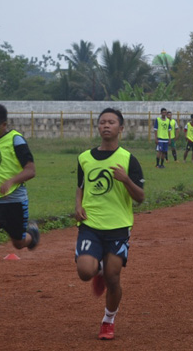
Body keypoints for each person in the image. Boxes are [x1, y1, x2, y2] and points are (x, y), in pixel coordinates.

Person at [75, 108, 144, 340]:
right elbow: (81, 186)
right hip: (90, 224)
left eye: (112, 122)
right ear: (98, 127)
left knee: (114, 278)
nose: (106, 125)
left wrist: (126, 179)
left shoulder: (128, 159)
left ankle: (108, 320)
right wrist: (78, 205)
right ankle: (98, 270)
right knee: (85, 272)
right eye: (102, 122)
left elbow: (140, 197)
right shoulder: (84, 158)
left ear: (120, 129)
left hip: (118, 226)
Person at [0, 103, 40, 302]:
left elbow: (31, 170)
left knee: (19, 243)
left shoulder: (16, 141)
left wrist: (11, 181)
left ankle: (32, 236)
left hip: (13, 201)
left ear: (4, 124)